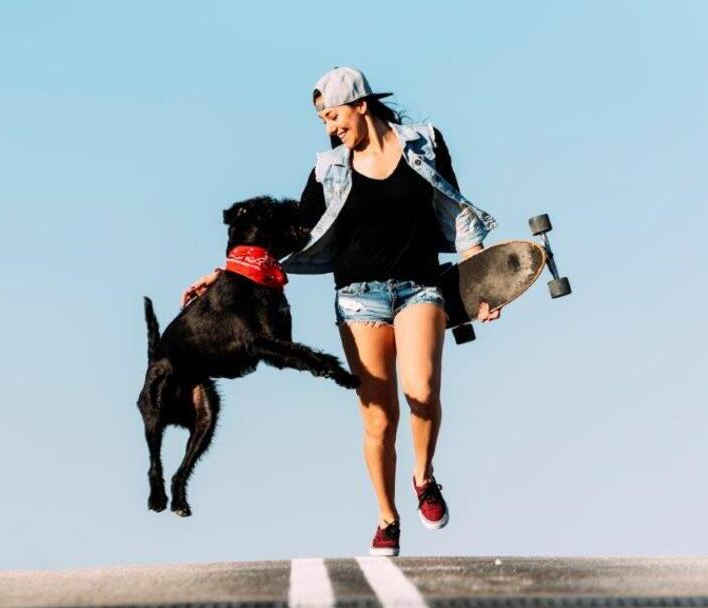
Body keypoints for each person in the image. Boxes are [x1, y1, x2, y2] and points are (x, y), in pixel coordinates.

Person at [179, 66, 502, 556]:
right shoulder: (328, 169)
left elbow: (458, 214)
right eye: (325, 122)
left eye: (333, 116)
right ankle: (386, 516)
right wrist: (226, 274)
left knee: (423, 390)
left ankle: (424, 476)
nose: (331, 128)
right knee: (378, 417)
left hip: (420, 288)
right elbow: (286, 233)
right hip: (358, 297)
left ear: (360, 104)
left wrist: (486, 282)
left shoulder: (424, 143)